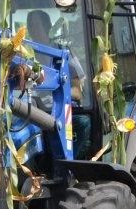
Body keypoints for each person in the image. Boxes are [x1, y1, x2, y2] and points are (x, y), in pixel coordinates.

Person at [26, 10, 90, 160]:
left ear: (48, 26)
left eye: (36, 24)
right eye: (30, 25)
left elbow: (76, 91)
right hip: (31, 111)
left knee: (83, 123)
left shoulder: (62, 53)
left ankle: (68, 166)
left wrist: (54, 90)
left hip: (59, 111)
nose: (33, 29)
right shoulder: (25, 55)